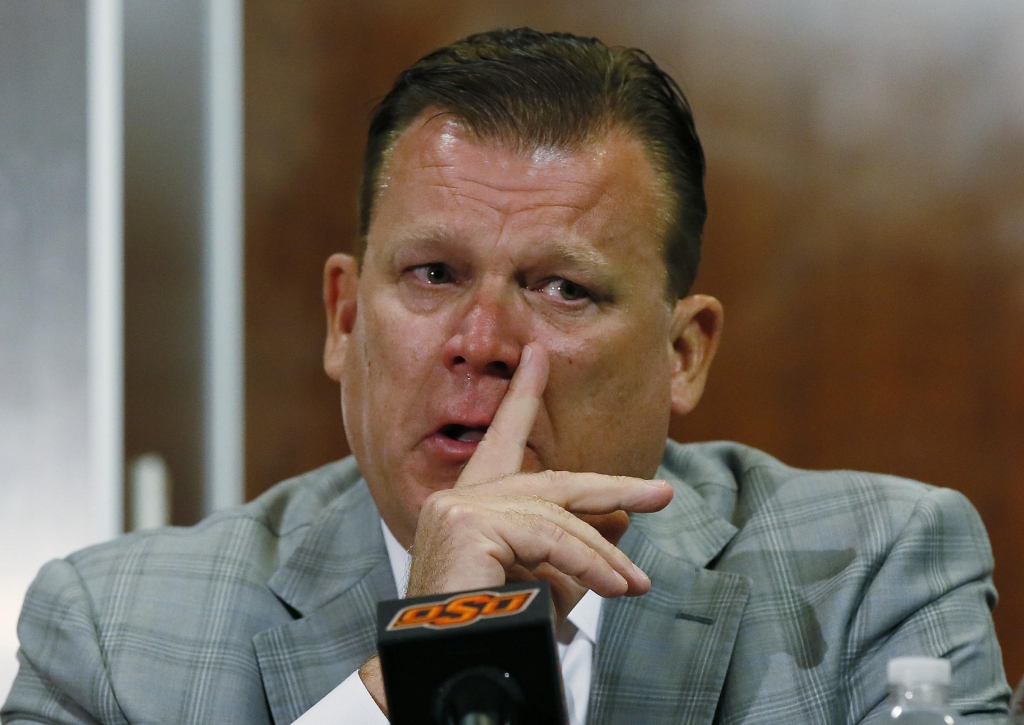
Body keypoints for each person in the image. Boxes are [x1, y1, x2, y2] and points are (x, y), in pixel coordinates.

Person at [2, 28, 1011, 725]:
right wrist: (419, 664)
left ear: (683, 353)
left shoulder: (870, 571)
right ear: (346, 318)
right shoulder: (116, 631)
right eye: (433, 274)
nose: (481, 339)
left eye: (562, 287)